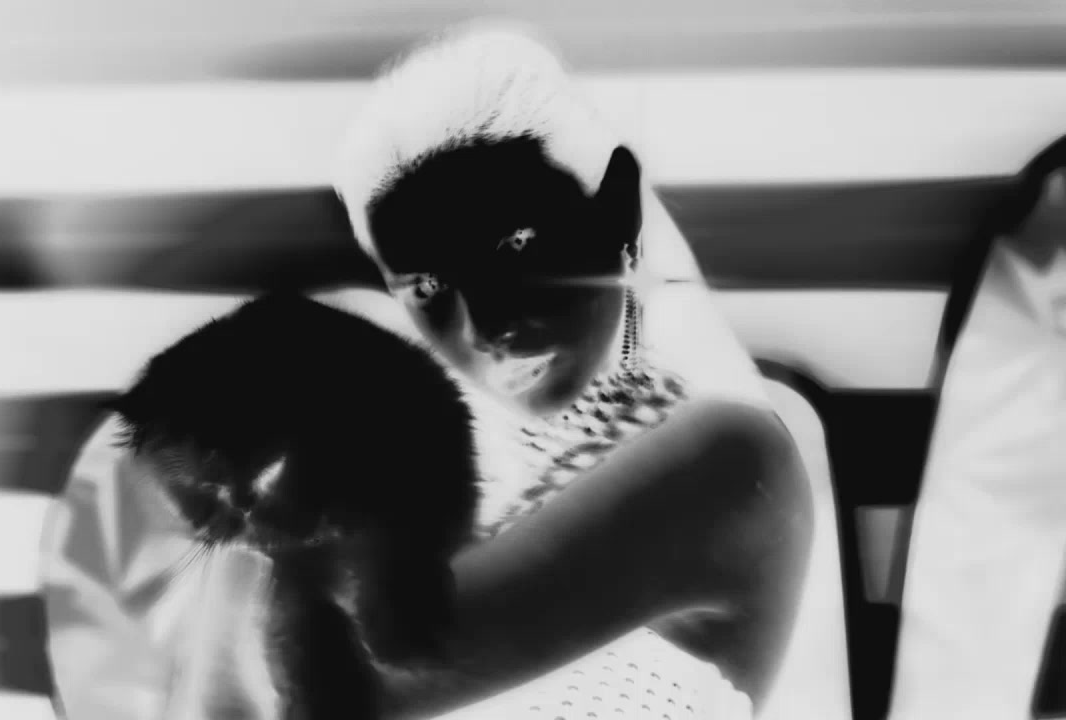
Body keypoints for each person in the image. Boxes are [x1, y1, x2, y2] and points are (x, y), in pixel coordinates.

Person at [40, 21, 815, 720]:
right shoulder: (396, 466)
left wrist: (270, 531)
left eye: (516, 245)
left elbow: (342, 677)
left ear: (616, 208)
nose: (489, 323)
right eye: (428, 285)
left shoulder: (730, 460)